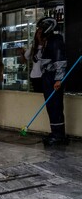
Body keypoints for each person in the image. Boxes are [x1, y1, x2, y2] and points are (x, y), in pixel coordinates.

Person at [36, 17, 68, 146]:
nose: (38, 31)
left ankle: (58, 135)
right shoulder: (47, 42)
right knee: (51, 106)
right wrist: (39, 42)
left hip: (53, 78)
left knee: (55, 106)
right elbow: (38, 59)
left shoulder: (56, 41)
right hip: (47, 77)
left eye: (41, 29)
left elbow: (60, 61)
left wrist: (58, 79)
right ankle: (55, 131)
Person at [20, 27, 44, 93]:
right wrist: (22, 53)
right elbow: (25, 58)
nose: (40, 35)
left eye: (42, 33)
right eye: (39, 33)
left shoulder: (48, 46)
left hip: (45, 76)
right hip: (35, 76)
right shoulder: (33, 48)